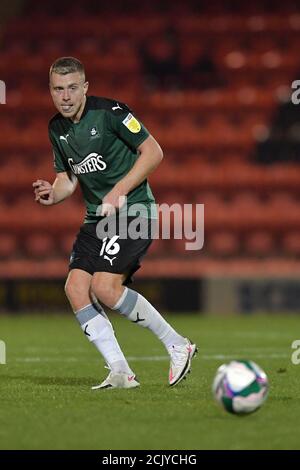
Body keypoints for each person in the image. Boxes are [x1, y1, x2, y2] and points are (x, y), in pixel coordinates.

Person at [32, 56, 197, 390]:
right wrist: (54, 193)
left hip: (134, 212)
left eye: (72, 88)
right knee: (76, 289)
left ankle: (178, 344)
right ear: (51, 91)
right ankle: (121, 371)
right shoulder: (56, 128)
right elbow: (67, 178)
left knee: (105, 287)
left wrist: (118, 190)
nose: (65, 96)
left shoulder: (110, 113)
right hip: (97, 218)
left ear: (85, 88)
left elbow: (153, 152)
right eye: (58, 89)